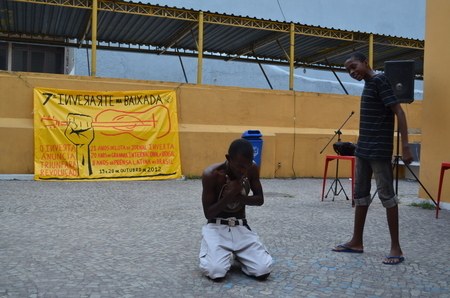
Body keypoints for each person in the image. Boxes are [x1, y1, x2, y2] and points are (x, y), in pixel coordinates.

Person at [332, 52, 413, 265]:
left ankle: (396, 248)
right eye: (348, 70)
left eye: (354, 66)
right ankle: (356, 241)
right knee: (360, 195)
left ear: (366, 61)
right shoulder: (369, 83)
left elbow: (400, 112)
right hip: (364, 150)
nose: (352, 72)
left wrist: (405, 146)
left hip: (379, 151)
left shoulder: (379, 80)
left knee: (387, 196)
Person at [199, 138, 273, 280]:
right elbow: (208, 213)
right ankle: (215, 250)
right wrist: (229, 196)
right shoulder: (212, 175)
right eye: (239, 166)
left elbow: (259, 200)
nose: (243, 170)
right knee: (216, 271)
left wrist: (237, 196)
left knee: (263, 269)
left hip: (240, 226)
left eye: (247, 165)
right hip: (217, 226)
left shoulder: (251, 169)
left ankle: (241, 256)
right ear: (228, 158)